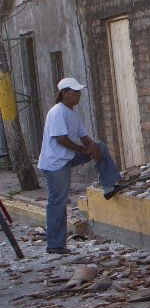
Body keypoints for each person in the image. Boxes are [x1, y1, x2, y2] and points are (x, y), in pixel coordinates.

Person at [38, 77, 124, 254]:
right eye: (75, 92)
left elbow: (84, 137)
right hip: (55, 163)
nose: (78, 95)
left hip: (68, 157)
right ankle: (55, 245)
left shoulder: (74, 113)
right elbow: (61, 139)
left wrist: (92, 148)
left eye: (79, 92)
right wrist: (84, 150)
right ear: (64, 93)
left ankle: (110, 185)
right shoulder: (57, 112)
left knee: (100, 146)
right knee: (58, 201)